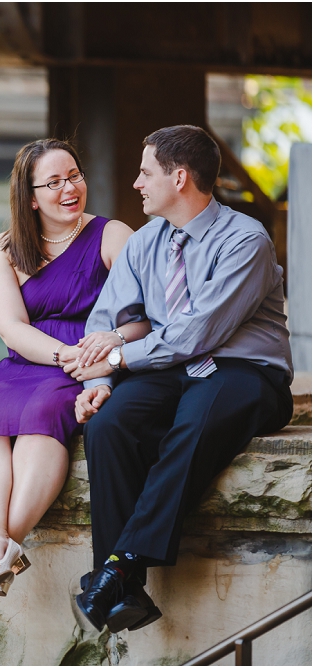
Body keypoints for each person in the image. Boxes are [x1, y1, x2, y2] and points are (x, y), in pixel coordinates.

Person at [67, 125, 294, 633]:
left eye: (146, 172)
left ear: (180, 176)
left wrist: (119, 363)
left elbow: (197, 333)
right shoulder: (145, 242)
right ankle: (126, 592)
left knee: (195, 420)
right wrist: (96, 385)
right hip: (171, 366)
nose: (136, 184)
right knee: (108, 426)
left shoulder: (245, 239)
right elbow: (106, 320)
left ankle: (118, 567)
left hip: (245, 372)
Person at [0, 138, 149, 596]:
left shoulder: (112, 234)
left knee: (43, 412)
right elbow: (10, 327)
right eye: (54, 181)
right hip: (31, 361)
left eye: (74, 176)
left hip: (88, 364)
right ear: (31, 196)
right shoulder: (3, 249)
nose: (69, 188)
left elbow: (145, 312)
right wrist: (62, 353)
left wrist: (90, 355)